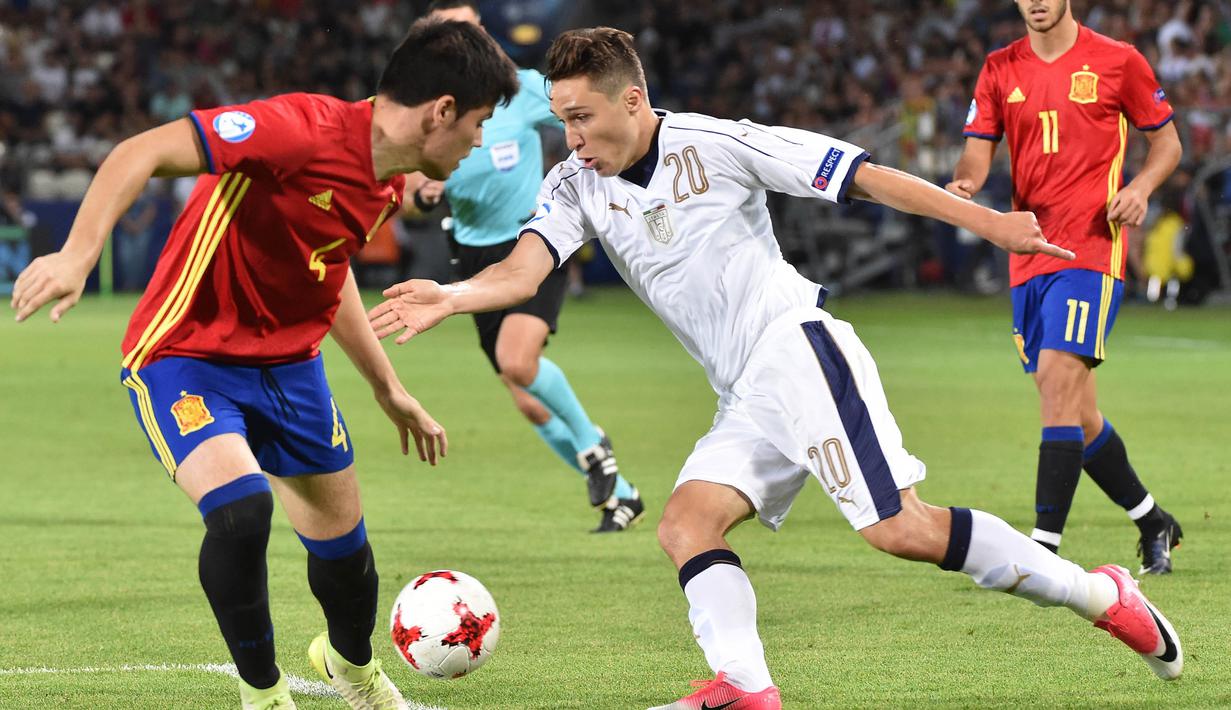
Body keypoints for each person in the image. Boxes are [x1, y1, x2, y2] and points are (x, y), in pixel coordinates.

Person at [368, 28, 1183, 708]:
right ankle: (746, 686)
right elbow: (524, 270)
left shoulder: (720, 144)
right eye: (560, 120)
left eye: (580, 118)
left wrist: (988, 224)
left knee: (899, 528)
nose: (571, 138)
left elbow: (863, 176)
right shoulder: (577, 183)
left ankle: (1100, 595)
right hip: (743, 391)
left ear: (630, 100)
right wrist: (452, 293)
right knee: (685, 525)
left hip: (797, 348)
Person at [11, 20, 517, 710]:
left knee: (347, 559)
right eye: (480, 123)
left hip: (291, 367)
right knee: (242, 513)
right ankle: (264, 694)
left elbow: (327, 272)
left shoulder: (383, 187)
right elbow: (143, 149)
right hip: (186, 354)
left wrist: (387, 388)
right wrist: (77, 253)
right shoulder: (299, 128)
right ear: (442, 111)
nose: (478, 143)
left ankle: (350, 665)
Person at [947, 0, 1184, 572]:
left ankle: (1043, 550)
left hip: (1092, 248)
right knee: (1075, 412)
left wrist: (1143, 188)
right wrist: (964, 183)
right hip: (1027, 252)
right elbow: (978, 152)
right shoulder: (1001, 67)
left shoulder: (1117, 61)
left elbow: (1168, 143)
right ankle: (1155, 522)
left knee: (1057, 380)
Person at [404, 0, 643, 533]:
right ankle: (622, 495)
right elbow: (405, 197)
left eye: (470, 30)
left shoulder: (519, 89)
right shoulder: (427, 111)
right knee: (530, 402)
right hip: (473, 257)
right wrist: (424, 193)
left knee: (517, 361)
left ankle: (593, 445)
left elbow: (589, 107)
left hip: (533, 242)